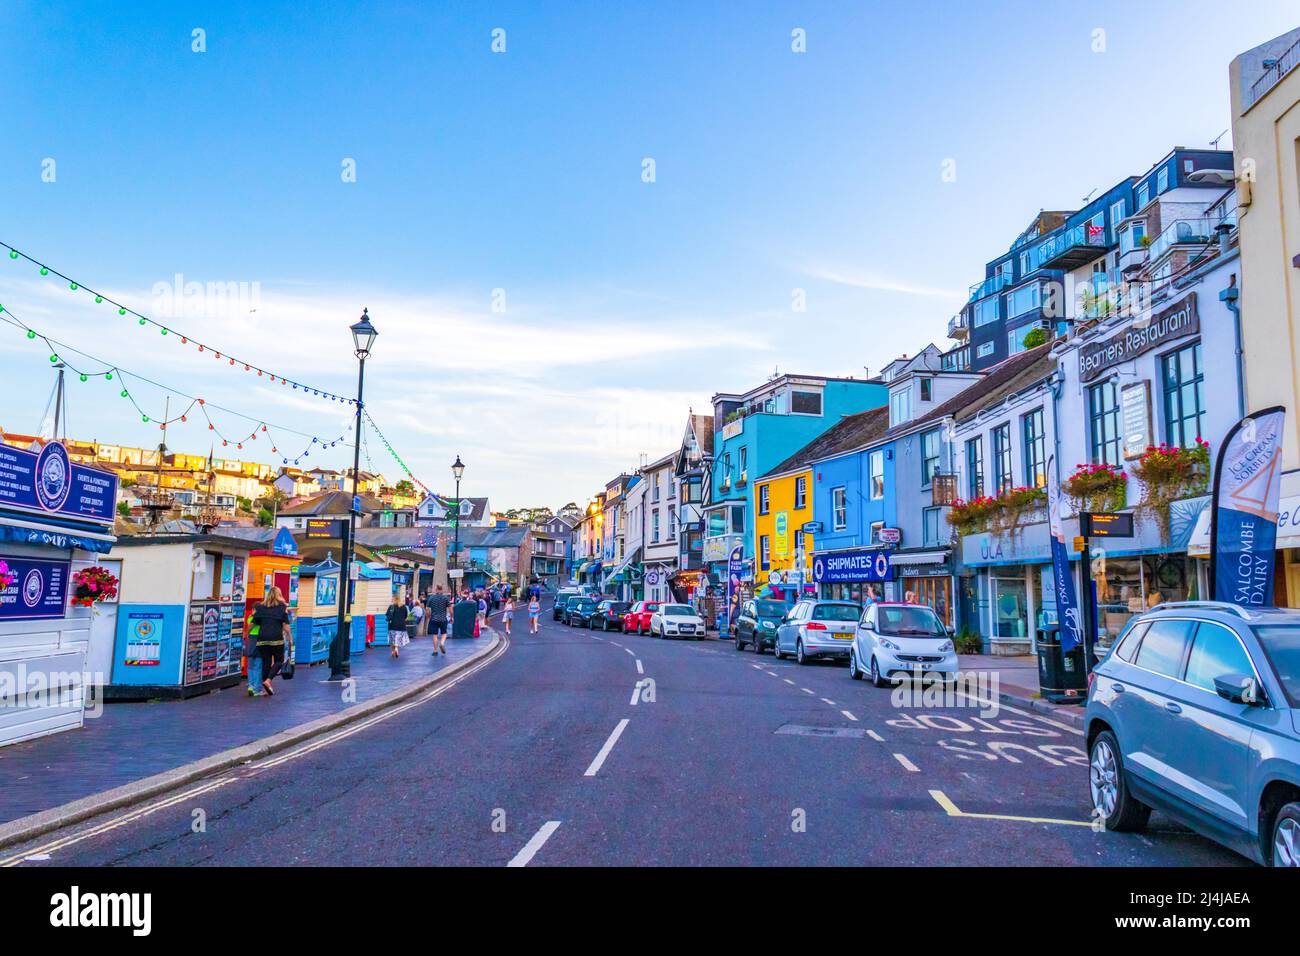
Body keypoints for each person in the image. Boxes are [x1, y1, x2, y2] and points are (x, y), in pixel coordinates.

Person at [249, 585, 290, 697]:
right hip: (276, 638)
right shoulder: (282, 607)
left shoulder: (261, 607)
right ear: (279, 595)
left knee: (266, 662)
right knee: (279, 661)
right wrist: (290, 638)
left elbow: (252, 624)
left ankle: (265, 686)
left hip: (262, 639)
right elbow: (285, 625)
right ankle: (268, 681)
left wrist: (246, 633)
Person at [426, 584, 451, 656]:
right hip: (443, 619)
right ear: (442, 590)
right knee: (444, 633)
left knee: (435, 635)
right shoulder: (445, 598)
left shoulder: (431, 598)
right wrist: (452, 617)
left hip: (434, 619)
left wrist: (428, 616)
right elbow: (450, 608)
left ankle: (435, 650)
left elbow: (427, 609)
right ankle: (442, 643)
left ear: (436, 589)